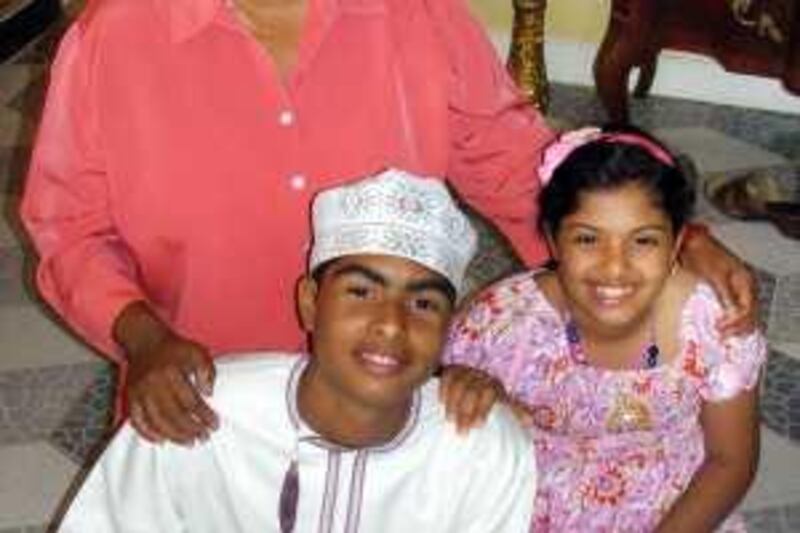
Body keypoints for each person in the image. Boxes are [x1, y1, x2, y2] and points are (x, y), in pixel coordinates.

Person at [20, 0, 757, 446]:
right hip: (201, 407)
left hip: (391, 396)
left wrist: (661, 233)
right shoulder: (116, 40)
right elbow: (69, 229)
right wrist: (142, 337)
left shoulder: (415, 16)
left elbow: (519, 162)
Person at [55, 169, 536, 533]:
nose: (391, 324)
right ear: (309, 303)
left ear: (447, 327)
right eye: (361, 293)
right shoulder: (195, 412)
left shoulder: (481, 449)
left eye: (424, 302)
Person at [441, 126, 766, 532]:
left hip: (678, 516)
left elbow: (730, 461)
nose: (615, 267)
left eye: (643, 241)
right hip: (533, 512)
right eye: (588, 239)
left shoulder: (712, 323)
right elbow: (432, 425)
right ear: (553, 242)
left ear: (677, 243)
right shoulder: (501, 325)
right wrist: (458, 383)